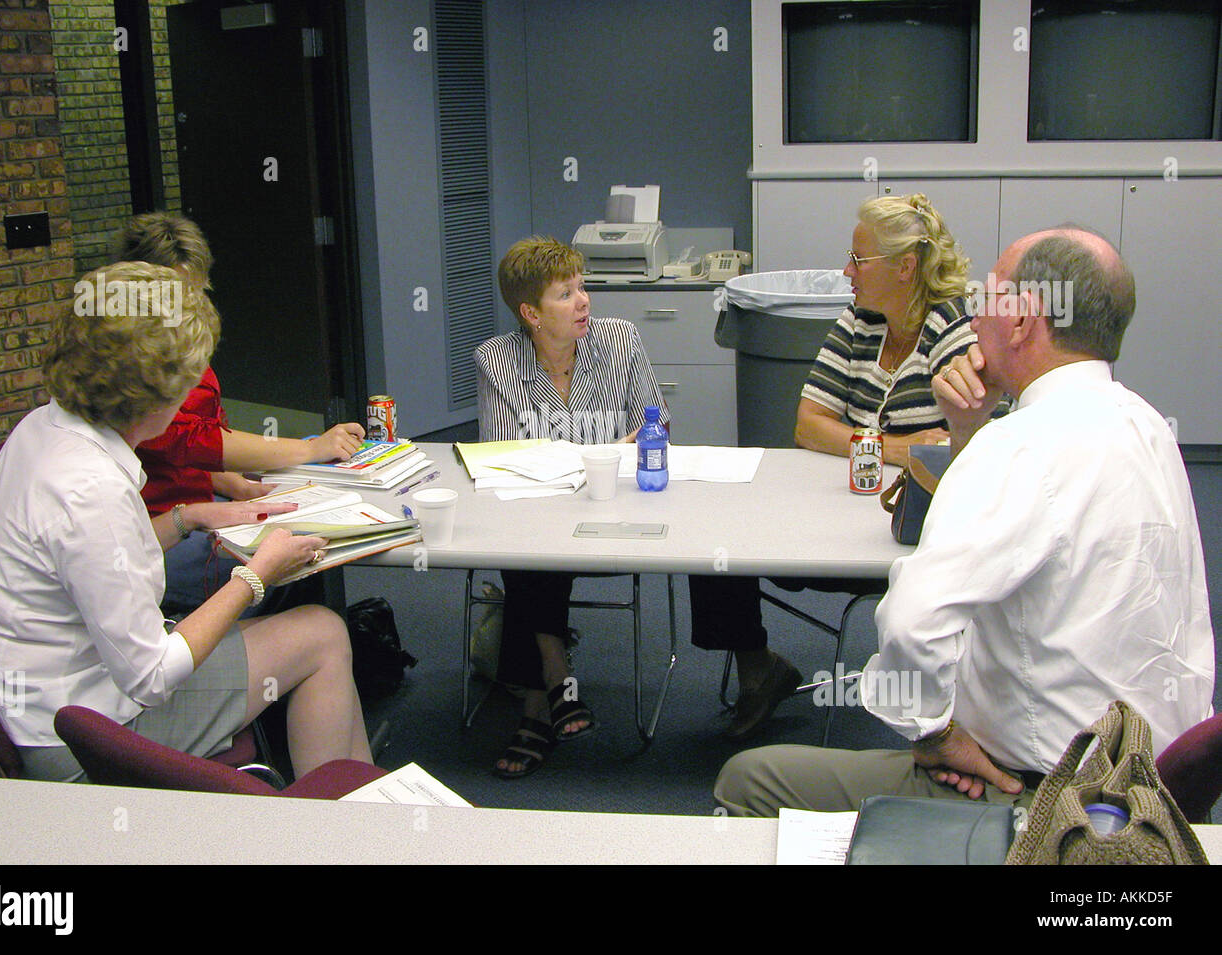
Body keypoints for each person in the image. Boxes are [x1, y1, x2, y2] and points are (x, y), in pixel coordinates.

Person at [714, 227, 1215, 815]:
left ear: (1023, 320)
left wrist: (935, 735)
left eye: (988, 300)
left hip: (1042, 799)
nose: (974, 319)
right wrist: (968, 432)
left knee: (748, 779)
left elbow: (911, 622)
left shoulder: (1018, 446)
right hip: (1154, 796)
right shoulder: (1150, 428)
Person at [0, 261, 373, 782]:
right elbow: (151, 677)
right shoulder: (92, 491)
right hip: (89, 736)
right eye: (187, 384)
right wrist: (256, 575)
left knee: (311, 631)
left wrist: (187, 517)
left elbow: (95, 561)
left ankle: (354, 803)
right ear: (157, 396)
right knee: (323, 634)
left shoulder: (43, 426)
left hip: (45, 697)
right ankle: (343, 824)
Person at [691, 193, 989, 741]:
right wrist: (896, 446)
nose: (846, 271)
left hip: (908, 535)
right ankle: (759, 670)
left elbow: (964, 443)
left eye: (859, 260)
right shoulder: (859, 320)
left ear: (905, 268)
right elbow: (807, 424)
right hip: (836, 513)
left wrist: (860, 441)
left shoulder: (953, 326)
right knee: (717, 536)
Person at [474, 236, 668, 778]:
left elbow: (657, 421)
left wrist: (629, 446)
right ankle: (552, 690)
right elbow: (501, 456)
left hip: (615, 509)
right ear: (530, 313)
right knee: (531, 552)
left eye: (582, 287)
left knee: (528, 562)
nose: (584, 300)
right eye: (566, 293)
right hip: (536, 514)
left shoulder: (620, 341)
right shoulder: (497, 361)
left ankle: (540, 702)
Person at [112, 211, 366, 615]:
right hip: (161, 530)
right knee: (298, 566)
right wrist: (311, 448)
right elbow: (193, 441)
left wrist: (238, 487)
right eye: (175, 297)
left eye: (194, 294)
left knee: (303, 534)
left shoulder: (173, 346)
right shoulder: (136, 369)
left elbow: (200, 442)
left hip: (188, 512)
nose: (186, 309)